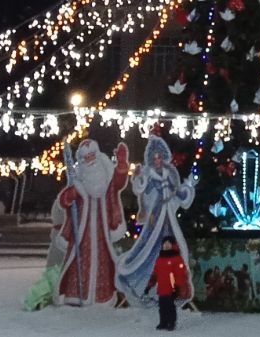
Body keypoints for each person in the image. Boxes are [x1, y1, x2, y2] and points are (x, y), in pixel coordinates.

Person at [115, 136, 195, 307]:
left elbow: (179, 193)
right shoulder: (149, 175)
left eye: (160, 157)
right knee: (149, 249)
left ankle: (174, 288)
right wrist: (138, 178)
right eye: (154, 158)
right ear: (150, 159)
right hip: (155, 218)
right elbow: (141, 189)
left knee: (173, 250)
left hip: (168, 218)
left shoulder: (171, 172)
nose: (157, 161)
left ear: (164, 157)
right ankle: (144, 286)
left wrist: (186, 189)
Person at [55, 139, 129, 305]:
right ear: (81, 161)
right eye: (86, 158)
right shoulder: (79, 181)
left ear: (97, 155)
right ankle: (75, 296)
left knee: (102, 264)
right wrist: (70, 196)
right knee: (79, 262)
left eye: (92, 156)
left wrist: (122, 165)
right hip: (82, 232)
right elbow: (64, 201)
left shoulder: (106, 177)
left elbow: (118, 182)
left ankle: (102, 297)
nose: (90, 161)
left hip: (102, 232)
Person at [144, 236, 190, 331]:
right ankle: (163, 322)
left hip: (172, 288)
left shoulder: (177, 258)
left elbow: (180, 274)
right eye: (164, 243)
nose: (166, 245)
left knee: (170, 307)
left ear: (173, 245)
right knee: (162, 307)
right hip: (162, 289)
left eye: (168, 243)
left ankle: (171, 323)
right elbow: (155, 274)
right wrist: (149, 286)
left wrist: (177, 287)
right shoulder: (160, 258)